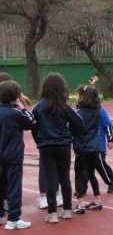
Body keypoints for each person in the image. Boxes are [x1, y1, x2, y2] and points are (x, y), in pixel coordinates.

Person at [32, 73, 83, 224]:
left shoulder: (39, 107)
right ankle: (67, 210)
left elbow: (33, 127)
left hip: (46, 146)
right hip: (63, 145)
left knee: (50, 179)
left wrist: (40, 140)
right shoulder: (65, 107)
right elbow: (79, 122)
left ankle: (52, 213)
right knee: (64, 177)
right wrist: (69, 136)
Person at [0, 80, 36, 229]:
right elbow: (32, 123)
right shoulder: (15, 114)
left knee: (0, 187)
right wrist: (22, 109)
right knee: (14, 187)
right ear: (15, 97)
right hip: (13, 156)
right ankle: (13, 218)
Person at [72, 85, 102, 214]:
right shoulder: (97, 111)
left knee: (78, 175)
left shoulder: (78, 114)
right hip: (94, 148)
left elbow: (72, 129)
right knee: (91, 173)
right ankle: (97, 200)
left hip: (82, 148)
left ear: (82, 98)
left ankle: (80, 203)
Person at [88, 76, 113, 193]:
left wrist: (110, 139)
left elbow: (108, 125)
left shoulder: (100, 111)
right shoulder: (84, 111)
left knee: (100, 165)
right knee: (84, 167)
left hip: (98, 145)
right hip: (86, 144)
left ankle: (112, 181)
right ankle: (82, 187)